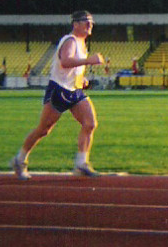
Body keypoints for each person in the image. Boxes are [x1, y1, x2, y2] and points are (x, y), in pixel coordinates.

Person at [10, 11, 105, 180]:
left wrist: (81, 78)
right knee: (43, 130)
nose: (90, 25)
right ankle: (19, 159)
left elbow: (71, 69)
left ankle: (81, 164)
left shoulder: (81, 43)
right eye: (86, 22)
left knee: (90, 123)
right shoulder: (70, 41)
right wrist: (89, 60)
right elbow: (65, 61)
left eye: (91, 22)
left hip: (74, 91)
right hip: (59, 90)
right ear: (76, 24)